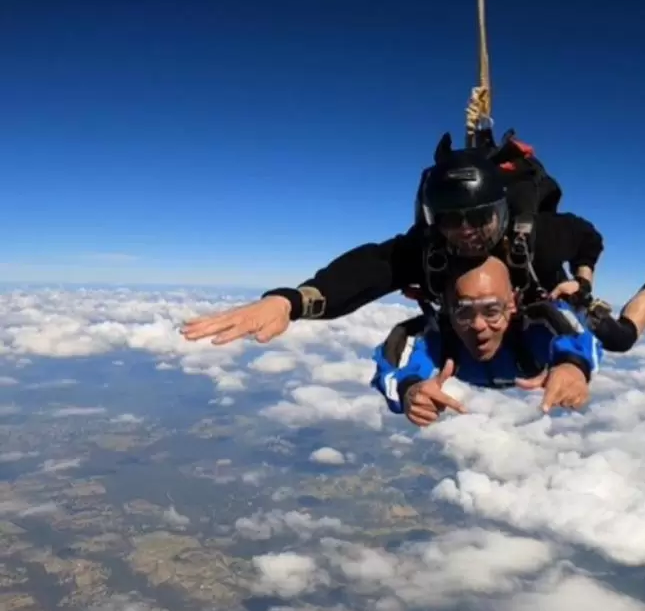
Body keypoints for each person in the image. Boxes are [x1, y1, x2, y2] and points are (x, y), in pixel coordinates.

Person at [180, 142, 604, 347]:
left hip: (532, 286)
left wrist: (581, 281)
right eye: (451, 221)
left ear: (503, 212)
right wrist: (290, 301)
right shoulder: (428, 252)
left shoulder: (537, 241)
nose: (469, 231)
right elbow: (364, 272)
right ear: (432, 220)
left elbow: (588, 237)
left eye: (480, 218)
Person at [371, 256, 601, 426]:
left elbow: (580, 331)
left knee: (624, 333)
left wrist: (574, 364)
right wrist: (408, 388)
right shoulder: (439, 336)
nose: (478, 325)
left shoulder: (536, 326)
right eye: (463, 312)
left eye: (491, 310)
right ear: (448, 311)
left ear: (512, 304)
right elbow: (394, 355)